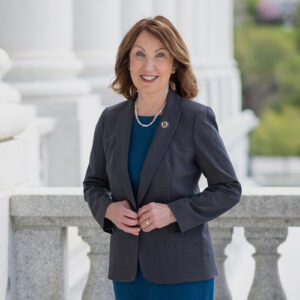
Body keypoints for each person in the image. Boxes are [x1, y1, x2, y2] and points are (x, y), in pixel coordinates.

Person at [83, 15, 242, 300]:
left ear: (173, 65)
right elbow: (93, 184)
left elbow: (228, 189)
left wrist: (172, 213)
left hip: (183, 274)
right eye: (139, 54)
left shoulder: (195, 118)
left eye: (160, 56)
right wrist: (107, 210)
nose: (148, 66)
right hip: (128, 274)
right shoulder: (110, 120)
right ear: (127, 62)